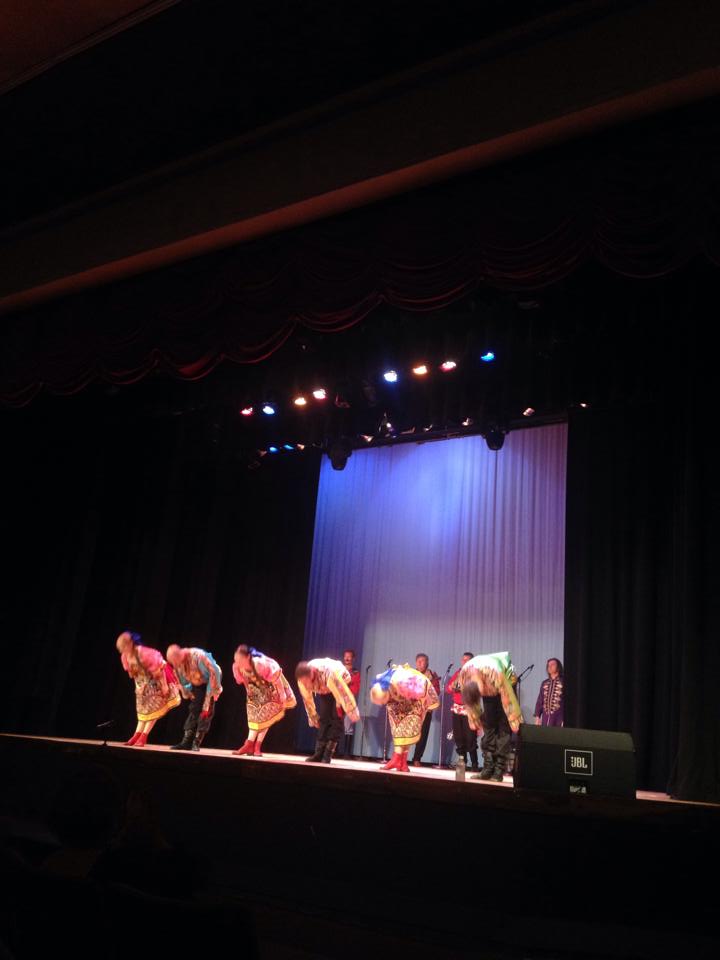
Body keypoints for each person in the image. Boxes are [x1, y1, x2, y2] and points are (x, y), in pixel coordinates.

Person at [459, 651, 523, 782]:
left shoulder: (495, 673)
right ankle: (487, 769)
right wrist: (474, 718)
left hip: (506, 683)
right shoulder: (464, 676)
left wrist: (514, 719)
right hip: (488, 685)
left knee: (503, 729)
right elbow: (469, 701)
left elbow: (508, 697)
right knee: (489, 727)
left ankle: (498, 771)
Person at [370, 663, 440, 772]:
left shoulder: (403, 682)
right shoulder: (381, 682)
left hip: (416, 697)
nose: (382, 704)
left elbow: (420, 691)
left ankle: (397, 759)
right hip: (399, 696)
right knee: (397, 728)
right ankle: (402, 762)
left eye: (383, 701)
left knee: (406, 729)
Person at [116, 631, 181, 746]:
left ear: (131, 644)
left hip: (157, 679)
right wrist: (140, 687)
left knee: (154, 707)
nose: (122, 650)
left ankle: (143, 736)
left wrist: (164, 686)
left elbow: (159, 671)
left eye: (123, 647)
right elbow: (133, 675)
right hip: (143, 683)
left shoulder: (145, 654)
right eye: (120, 648)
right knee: (143, 709)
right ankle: (136, 734)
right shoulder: (125, 657)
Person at [231, 644, 297, 756]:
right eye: (236, 660)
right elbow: (242, 680)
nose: (237, 663)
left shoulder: (260, 664)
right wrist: (249, 690)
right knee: (254, 716)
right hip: (255, 689)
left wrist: (282, 695)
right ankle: (249, 745)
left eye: (240, 660)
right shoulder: (237, 666)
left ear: (248, 657)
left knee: (266, 715)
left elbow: (276, 680)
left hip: (272, 687)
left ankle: (256, 746)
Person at [295, 658, 359, 763]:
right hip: (325, 687)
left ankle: (328, 754)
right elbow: (307, 699)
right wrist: (313, 716)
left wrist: (351, 710)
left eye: (307, 681)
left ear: (311, 672)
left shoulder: (328, 671)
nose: (306, 684)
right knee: (324, 719)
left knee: (336, 718)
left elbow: (343, 693)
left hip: (340, 682)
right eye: (304, 682)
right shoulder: (302, 680)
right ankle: (318, 753)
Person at [166, 644, 223, 751]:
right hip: (197, 683)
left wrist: (214, 691)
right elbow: (183, 680)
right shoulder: (178, 663)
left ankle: (196, 742)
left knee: (206, 710)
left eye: (176, 661)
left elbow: (214, 671)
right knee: (194, 709)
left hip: (211, 679)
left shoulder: (198, 656)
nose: (176, 664)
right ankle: (186, 741)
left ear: (180, 655)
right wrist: (188, 692)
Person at [446, 652, 479, 771]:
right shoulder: (458, 673)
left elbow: (477, 689)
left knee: (470, 737)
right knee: (459, 737)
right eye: (463, 660)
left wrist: (463, 687)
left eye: (467, 660)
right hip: (457, 708)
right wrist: (454, 687)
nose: (464, 662)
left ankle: (474, 764)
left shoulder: (475, 674)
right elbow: (448, 688)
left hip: (469, 709)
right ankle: (462, 763)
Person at [410, 653, 441, 766]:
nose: (419, 663)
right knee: (408, 733)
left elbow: (436, 691)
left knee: (422, 734)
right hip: (411, 708)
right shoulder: (411, 674)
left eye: (422, 661)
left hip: (425, 709)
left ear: (427, 663)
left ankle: (417, 758)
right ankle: (401, 757)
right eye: (418, 661)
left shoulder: (432, 676)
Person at [337, 649, 361, 757]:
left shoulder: (355, 673)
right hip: (338, 699)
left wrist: (347, 689)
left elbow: (356, 689)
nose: (347, 658)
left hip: (349, 700)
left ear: (353, 658)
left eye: (349, 656)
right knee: (336, 724)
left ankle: (347, 753)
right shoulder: (339, 671)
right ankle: (334, 751)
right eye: (345, 656)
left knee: (348, 726)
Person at [534, 657, 565, 727]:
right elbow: (540, 701)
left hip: (559, 718)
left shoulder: (564, 682)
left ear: (558, 667)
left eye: (552, 664)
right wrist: (537, 716)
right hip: (545, 718)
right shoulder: (544, 683)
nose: (550, 666)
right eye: (548, 665)